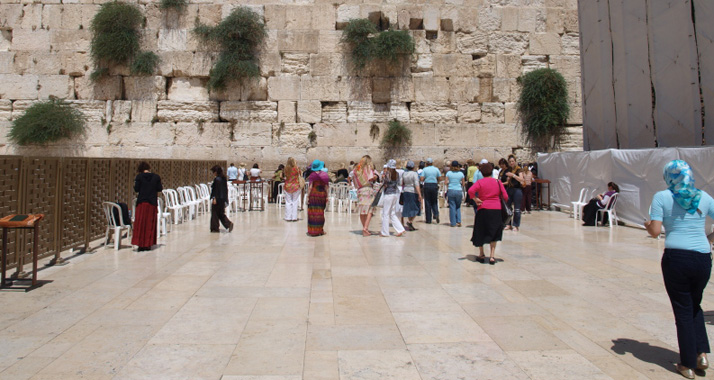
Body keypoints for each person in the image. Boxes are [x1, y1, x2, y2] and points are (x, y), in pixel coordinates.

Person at [645, 160, 714, 379]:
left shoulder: (662, 197)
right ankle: (701, 353)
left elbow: (655, 232)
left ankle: (687, 364)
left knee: (682, 309)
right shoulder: (704, 197)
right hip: (703, 257)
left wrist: (648, 225)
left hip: (676, 258)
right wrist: (708, 240)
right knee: (695, 304)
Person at [468, 163, 508, 265]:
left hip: (483, 209)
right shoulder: (498, 182)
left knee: (481, 230)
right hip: (496, 209)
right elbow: (506, 196)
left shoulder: (480, 182)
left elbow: (470, 191)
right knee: (493, 232)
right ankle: (492, 256)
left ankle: (481, 254)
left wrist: (476, 199)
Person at [131, 161, 163, 251]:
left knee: (141, 223)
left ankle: (140, 244)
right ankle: (148, 244)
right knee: (150, 223)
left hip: (142, 202)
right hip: (152, 203)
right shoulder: (156, 177)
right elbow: (159, 188)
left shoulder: (139, 177)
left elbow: (136, 189)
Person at [351, 155, 378, 236]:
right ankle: (365, 228)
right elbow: (371, 178)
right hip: (368, 190)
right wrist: (375, 177)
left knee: (362, 210)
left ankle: (365, 228)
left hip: (360, 190)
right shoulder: (369, 168)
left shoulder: (356, 170)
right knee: (370, 210)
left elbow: (354, 182)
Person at [380, 159, 406, 237]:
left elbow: (385, 184)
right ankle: (400, 229)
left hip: (388, 194)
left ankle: (385, 232)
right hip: (395, 194)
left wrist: (383, 178)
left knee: (385, 213)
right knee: (392, 213)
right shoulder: (397, 174)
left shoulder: (387, 174)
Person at [502, 155, 525, 232]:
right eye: (510, 161)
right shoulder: (508, 170)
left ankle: (516, 225)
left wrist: (514, 176)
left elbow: (521, 179)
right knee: (507, 207)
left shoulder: (519, 170)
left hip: (517, 190)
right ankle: (508, 224)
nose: (511, 163)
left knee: (517, 209)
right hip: (509, 189)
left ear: (515, 161)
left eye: (512, 161)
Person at [307, 160, 329, 237]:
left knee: (312, 212)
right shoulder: (325, 175)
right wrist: (327, 196)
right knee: (320, 212)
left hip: (313, 194)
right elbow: (326, 187)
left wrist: (307, 196)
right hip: (321, 194)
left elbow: (310, 187)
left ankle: (312, 230)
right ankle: (320, 230)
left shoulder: (312, 175)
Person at [210, 165, 233, 233]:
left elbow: (216, 190)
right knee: (220, 213)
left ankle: (214, 228)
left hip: (217, 199)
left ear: (216, 172)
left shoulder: (217, 179)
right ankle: (228, 224)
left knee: (214, 214)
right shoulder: (223, 179)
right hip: (222, 199)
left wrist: (214, 198)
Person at [401, 160, 422, 231]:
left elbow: (402, 183)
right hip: (413, 192)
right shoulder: (414, 174)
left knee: (409, 207)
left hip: (406, 191)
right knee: (416, 207)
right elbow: (416, 184)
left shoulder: (404, 173)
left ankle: (410, 223)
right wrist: (419, 194)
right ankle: (410, 221)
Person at [420, 158, 442, 224]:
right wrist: (436, 182)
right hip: (434, 185)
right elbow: (440, 178)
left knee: (427, 202)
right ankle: (436, 214)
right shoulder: (436, 169)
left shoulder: (424, 169)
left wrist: (424, 180)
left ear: (426, 163)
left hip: (427, 185)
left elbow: (421, 178)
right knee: (434, 201)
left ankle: (428, 219)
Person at [444, 160, 465, 227]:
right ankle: (458, 221)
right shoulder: (461, 173)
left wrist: (448, 187)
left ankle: (453, 222)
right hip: (458, 190)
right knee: (458, 206)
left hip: (451, 190)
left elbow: (445, 182)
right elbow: (463, 183)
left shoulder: (448, 173)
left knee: (452, 206)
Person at [283, 157, 302, 222]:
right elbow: (300, 174)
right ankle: (294, 217)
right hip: (296, 186)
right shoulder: (296, 168)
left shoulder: (286, 169)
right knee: (295, 201)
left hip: (287, 186)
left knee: (288, 202)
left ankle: (288, 217)